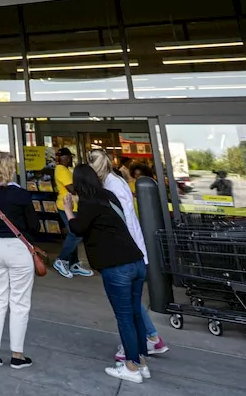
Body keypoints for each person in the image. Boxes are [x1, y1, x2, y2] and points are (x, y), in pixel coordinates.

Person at [65, 164, 150, 383]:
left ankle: (131, 367)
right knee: (135, 313)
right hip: (136, 260)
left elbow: (78, 229)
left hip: (117, 266)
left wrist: (68, 210)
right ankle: (141, 362)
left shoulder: (88, 203)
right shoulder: (108, 196)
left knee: (124, 318)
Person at [88, 150, 170, 361]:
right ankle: (150, 338)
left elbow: (121, 219)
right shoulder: (115, 181)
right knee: (132, 302)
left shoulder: (111, 186)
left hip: (125, 253)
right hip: (130, 251)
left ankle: (136, 351)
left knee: (127, 306)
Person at [0, 150, 37, 368]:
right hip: (18, 249)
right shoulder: (22, 195)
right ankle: (17, 354)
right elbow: (33, 225)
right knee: (20, 302)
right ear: (11, 169)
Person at [52, 147, 93, 279]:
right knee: (76, 233)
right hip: (67, 206)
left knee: (74, 233)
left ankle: (73, 263)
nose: (69, 159)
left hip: (74, 206)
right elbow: (72, 189)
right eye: (67, 157)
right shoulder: (61, 169)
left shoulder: (68, 169)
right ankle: (61, 260)